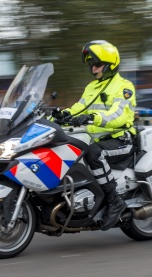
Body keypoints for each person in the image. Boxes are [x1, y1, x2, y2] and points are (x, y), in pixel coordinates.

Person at [53, 40, 137, 231]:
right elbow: (79, 108)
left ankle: (114, 201)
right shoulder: (92, 87)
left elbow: (119, 115)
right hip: (98, 138)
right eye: (92, 64)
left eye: (97, 64)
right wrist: (60, 115)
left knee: (93, 153)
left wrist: (92, 117)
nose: (94, 68)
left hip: (120, 139)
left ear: (110, 64)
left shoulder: (124, 86)